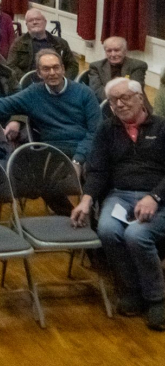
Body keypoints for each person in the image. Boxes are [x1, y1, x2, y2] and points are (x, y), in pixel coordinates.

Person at [0, 50, 100, 214]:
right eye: (46, 69)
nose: (52, 73)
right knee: (39, 175)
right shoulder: (34, 93)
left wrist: (78, 160)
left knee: (100, 170)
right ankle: (70, 214)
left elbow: (95, 132)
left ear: (63, 69)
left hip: (86, 148)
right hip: (53, 151)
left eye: (56, 68)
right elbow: (1, 105)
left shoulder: (84, 93)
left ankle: (93, 219)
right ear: (39, 73)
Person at [70, 78, 165, 331]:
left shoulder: (162, 127)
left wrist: (154, 197)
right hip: (120, 195)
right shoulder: (107, 129)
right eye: (113, 101)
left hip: (158, 198)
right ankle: (131, 290)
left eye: (125, 98)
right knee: (108, 230)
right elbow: (98, 170)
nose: (119, 104)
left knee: (137, 234)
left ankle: (156, 298)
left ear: (140, 98)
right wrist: (86, 200)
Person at [7, 9, 78, 82]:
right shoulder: (18, 43)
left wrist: (63, 79)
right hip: (29, 85)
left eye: (38, 19)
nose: (35, 22)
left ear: (45, 22)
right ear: (27, 25)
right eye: (31, 20)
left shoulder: (61, 43)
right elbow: (10, 66)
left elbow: (73, 65)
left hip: (56, 81)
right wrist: (27, 80)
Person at [87, 37, 148, 101]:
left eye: (117, 50)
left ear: (125, 51)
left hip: (133, 104)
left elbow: (135, 90)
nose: (113, 54)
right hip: (107, 104)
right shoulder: (96, 67)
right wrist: (115, 102)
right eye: (109, 51)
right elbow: (97, 91)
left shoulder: (137, 66)